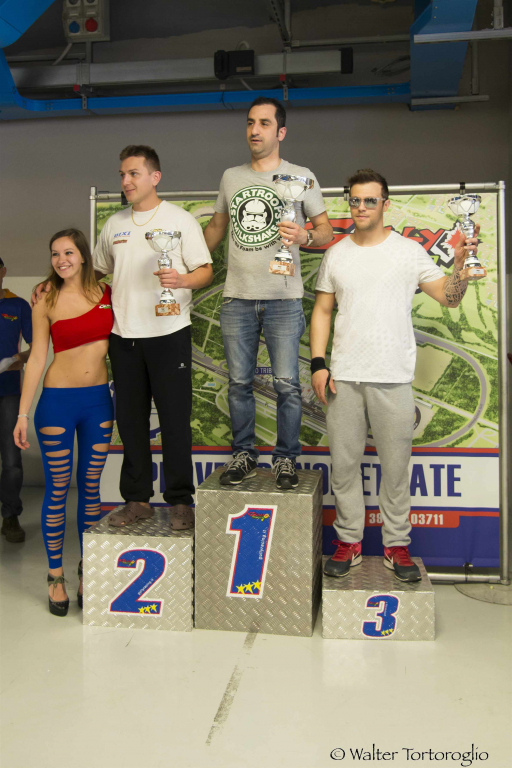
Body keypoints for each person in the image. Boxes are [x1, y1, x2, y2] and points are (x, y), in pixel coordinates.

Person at [311, 169, 479, 583]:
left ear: (385, 204)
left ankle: (396, 545)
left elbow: (449, 298)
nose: (361, 207)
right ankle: (348, 542)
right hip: (344, 377)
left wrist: (460, 266)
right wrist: (318, 363)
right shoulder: (337, 254)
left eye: (370, 200)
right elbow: (323, 310)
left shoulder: (408, 252)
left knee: (396, 469)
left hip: (394, 377)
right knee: (344, 467)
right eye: (355, 200)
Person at [203, 97, 333, 490]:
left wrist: (305, 236)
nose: (254, 130)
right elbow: (217, 227)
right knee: (238, 384)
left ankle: (286, 460)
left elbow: (325, 232)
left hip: (284, 299)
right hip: (237, 298)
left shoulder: (302, 176)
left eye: (263, 123)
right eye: (249, 123)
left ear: (281, 132)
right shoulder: (231, 177)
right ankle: (243, 455)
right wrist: (188, 262)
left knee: (287, 386)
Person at [91, 145, 213, 528]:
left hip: (169, 333)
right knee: (130, 423)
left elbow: (205, 271)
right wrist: (54, 287)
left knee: (175, 421)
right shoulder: (113, 224)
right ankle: (137, 500)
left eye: (133, 174)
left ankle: (180, 501)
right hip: (123, 336)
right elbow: (95, 273)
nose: (126, 181)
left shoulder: (181, 220)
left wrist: (181, 280)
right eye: (122, 175)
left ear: (154, 177)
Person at [14, 229, 114, 616]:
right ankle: (55, 575)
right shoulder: (46, 299)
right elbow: (37, 359)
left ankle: (88, 568)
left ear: (84, 256)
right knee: (58, 488)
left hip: (98, 403)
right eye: (55, 254)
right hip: (56, 404)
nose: (61, 260)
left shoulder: (108, 294)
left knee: (90, 488)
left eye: (68, 252)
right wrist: (22, 414)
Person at [0, 257, 32, 543]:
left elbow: (37, 347)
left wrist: (17, 358)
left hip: (9, 391)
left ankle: (10, 516)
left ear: (3, 272)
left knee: (11, 460)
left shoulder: (18, 306)